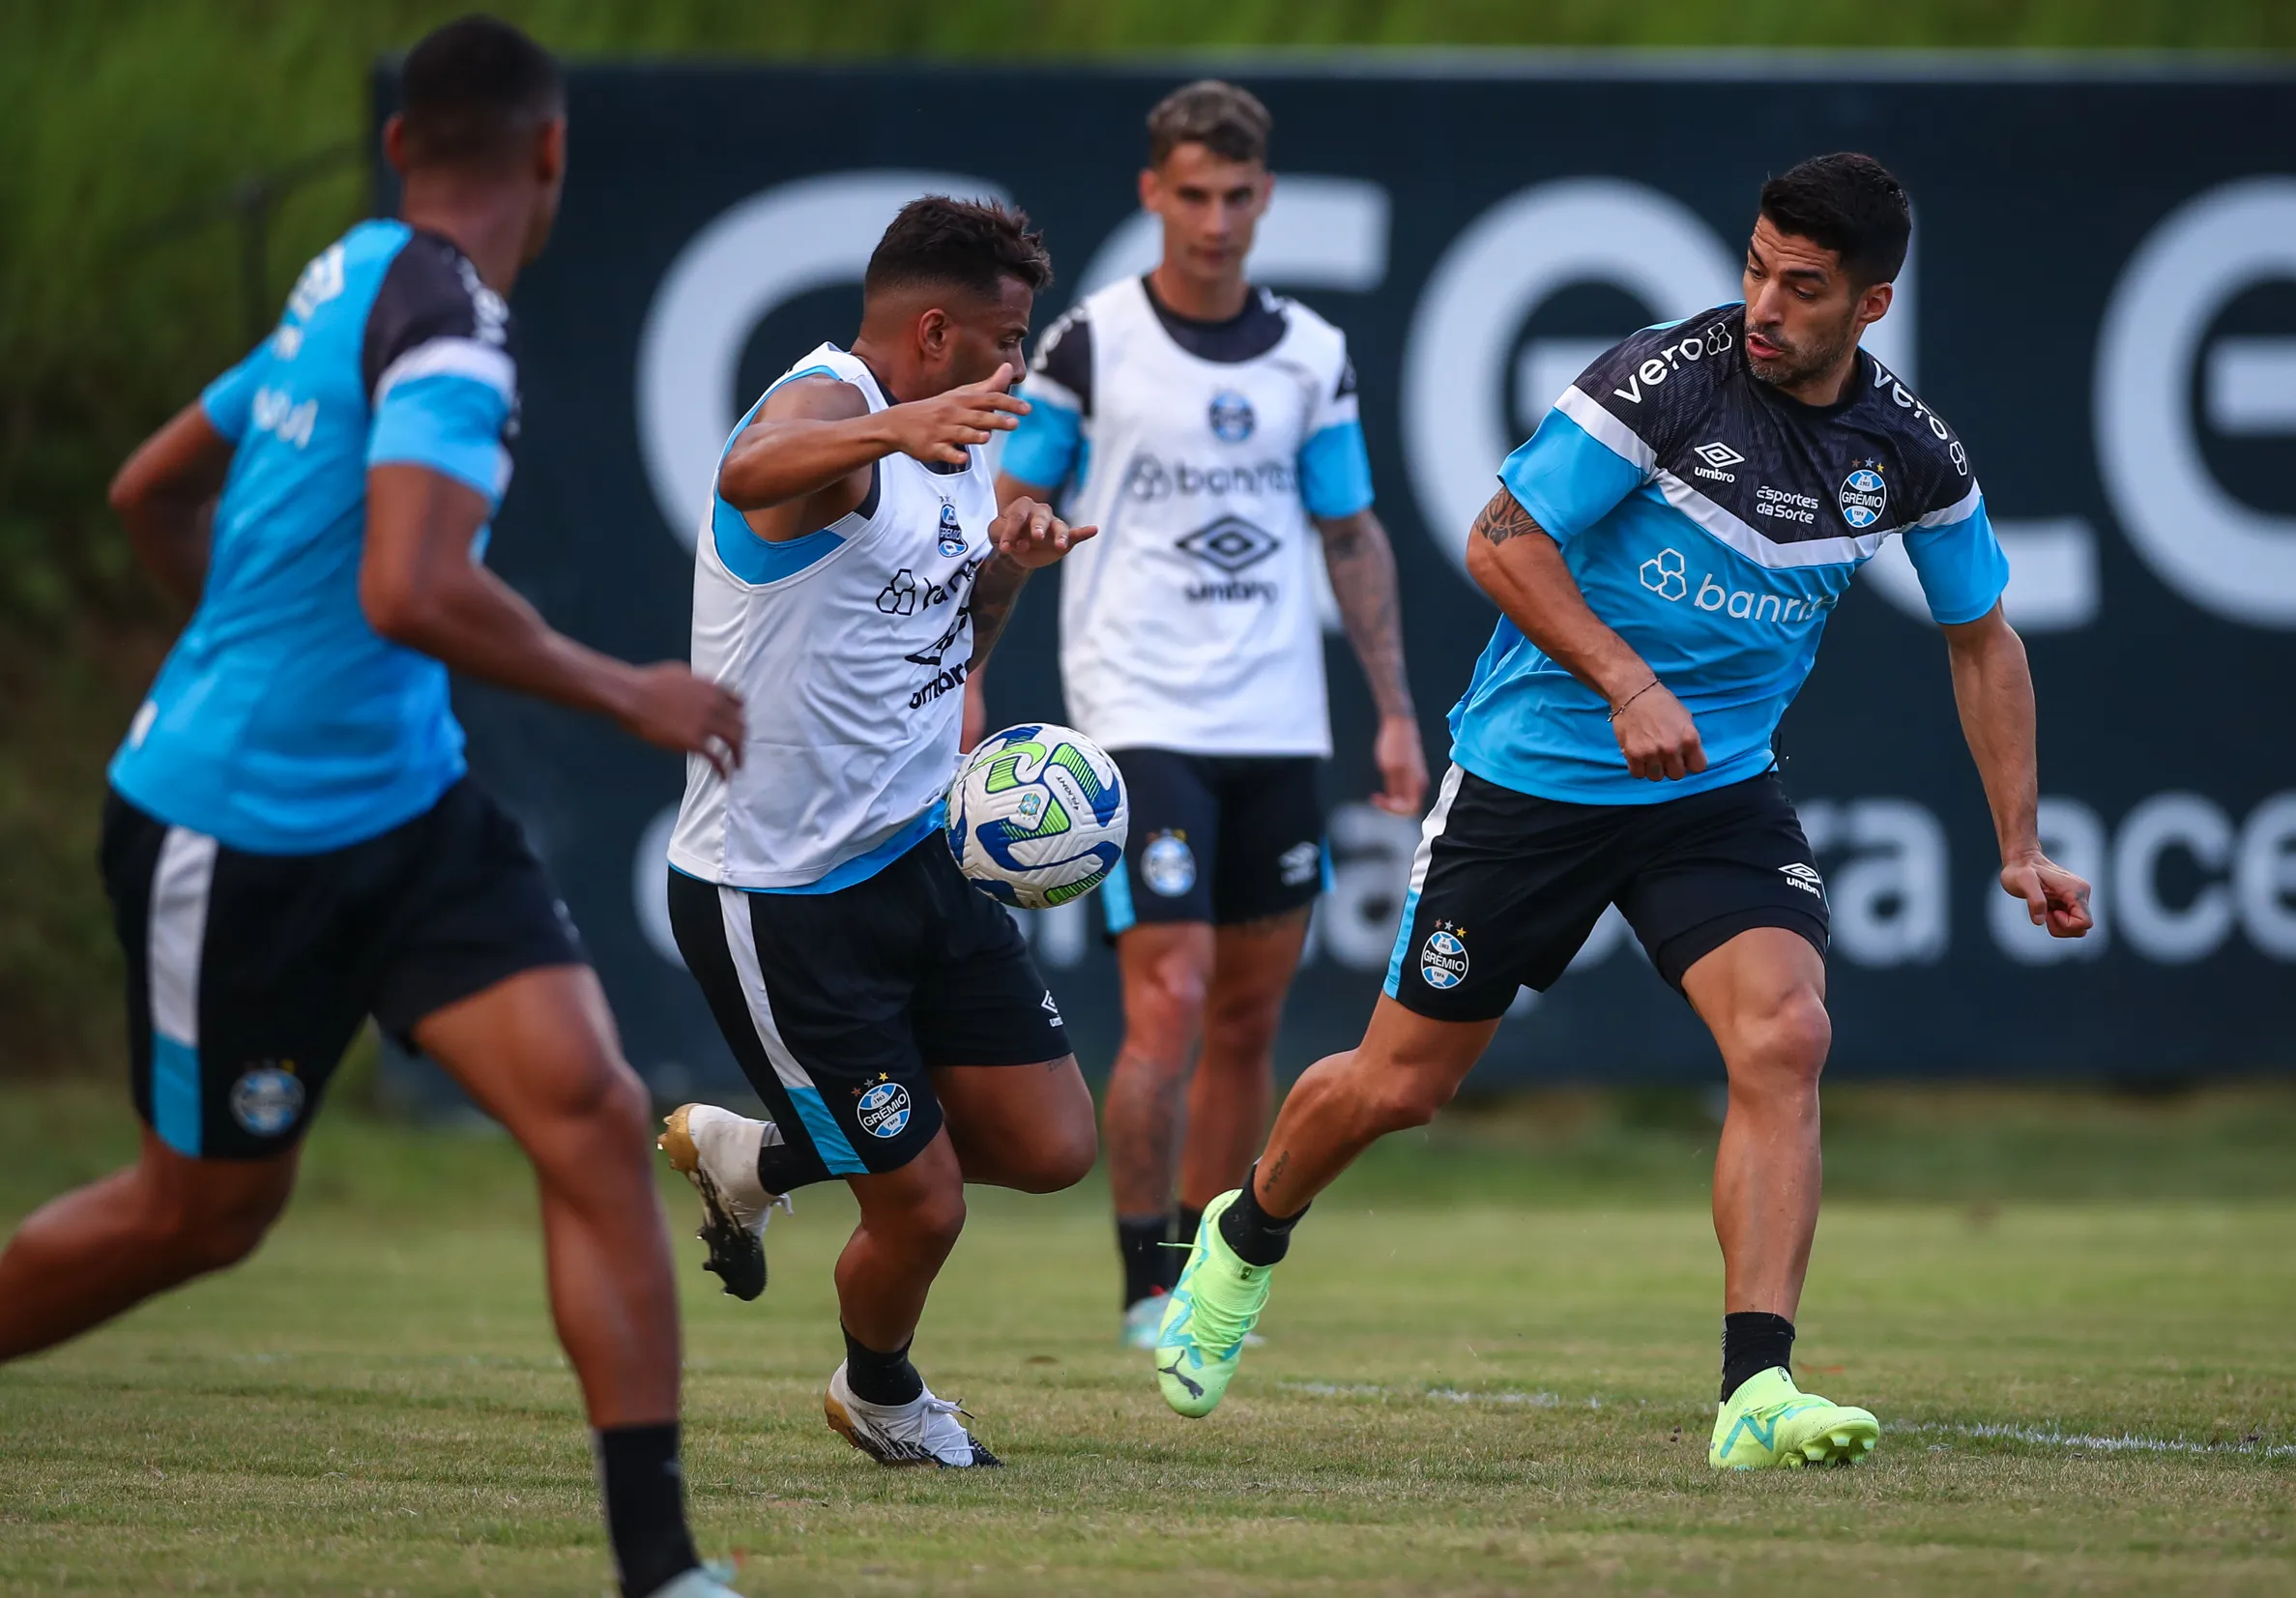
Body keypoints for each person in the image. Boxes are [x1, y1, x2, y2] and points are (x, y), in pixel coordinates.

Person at [1148, 153, 2098, 1468]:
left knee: (1787, 1034)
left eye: (1803, 287)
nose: (1764, 301)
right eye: (1757, 267)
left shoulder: (1911, 453)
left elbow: (1983, 637)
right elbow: (1499, 540)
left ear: (1870, 307)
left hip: (1712, 792)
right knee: (1398, 1087)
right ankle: (1244, 1233)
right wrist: (1627, 680)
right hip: (1533, 777)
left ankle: (1756, 1391)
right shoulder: (1665, 377)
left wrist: (2018, 843)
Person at [0, 19, 745, 1597]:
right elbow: (408, 587)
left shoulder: (342, 273)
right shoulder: (451, 329)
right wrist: (630, 690)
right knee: (196, 1220)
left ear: (402, 149)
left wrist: (232, 636)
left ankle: (662, 1568)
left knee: (596, 1115)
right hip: (232, 833)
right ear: (551, 156)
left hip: (408, 814)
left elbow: (151, 489)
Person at [654, 196, 1097, 1469]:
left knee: (1052, 1146)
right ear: (938, 329)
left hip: (918, 853)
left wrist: (1008, 559)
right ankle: (881, 1393)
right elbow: (749, 470)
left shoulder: (957, 449)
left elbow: (951, 642)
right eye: (1006, 340)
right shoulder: (832, 413)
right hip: (780, 895)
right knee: (924, 1206)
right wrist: (897, 426)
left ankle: (760, 1154)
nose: (1016, 368)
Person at [992, 80, 1428, 1350]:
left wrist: (1393, 711)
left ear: (1265, 199)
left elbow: (1349, 533)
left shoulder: (1312, 355)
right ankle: (1138, 1280)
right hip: (1140, 715)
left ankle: (1194, 1266)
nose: (1217, 221)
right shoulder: (1090, 343)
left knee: (1247, 1016)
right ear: (1153, 195)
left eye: (1239, 197)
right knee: (1169, 1000)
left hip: (1278, 722)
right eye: (1193, 195)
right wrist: (969, 661)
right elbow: (1010, 515)